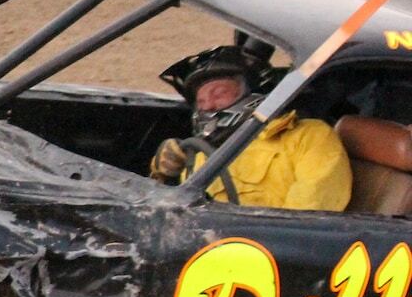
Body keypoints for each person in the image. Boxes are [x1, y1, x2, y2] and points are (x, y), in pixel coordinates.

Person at [149, 44, 352, 211]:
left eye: (219, 93)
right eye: (201, 101)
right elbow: (176, 213)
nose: (208, 106)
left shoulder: (310, 136)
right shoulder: (199, 152)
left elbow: (306, 219)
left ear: (254, 91)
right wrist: (164, 175)